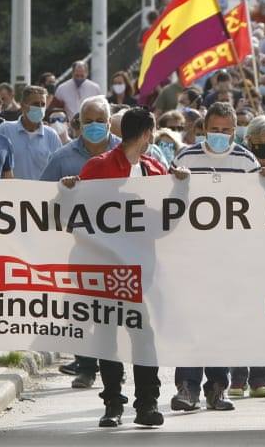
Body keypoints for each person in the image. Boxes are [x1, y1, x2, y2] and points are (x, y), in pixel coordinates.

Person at [63, 107, 181, 428]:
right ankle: (113, 403)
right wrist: (70, 191)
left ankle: (147, 404)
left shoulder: (155, 170)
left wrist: (179, 189)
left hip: (139, 273)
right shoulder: (99, 167)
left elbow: (164, 224)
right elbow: (74, 215)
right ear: (146, 134)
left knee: (142, 336)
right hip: (103, 271)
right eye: (151, 133)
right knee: (107, 335)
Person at [169, 102, 260, 412]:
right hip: (192, 258)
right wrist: (177, 186)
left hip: (230, 259)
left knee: (222, 324)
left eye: (225, 130)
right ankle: (187, 387)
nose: (219, 135)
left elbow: (259, 208)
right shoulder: (185, 158)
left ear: (234, 131)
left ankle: (218, 388)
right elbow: (169, 203)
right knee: (191, 323)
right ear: (203, 129)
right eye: (214, 129)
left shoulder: (246, 161)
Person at [41, 95, 121, 385]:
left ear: (110, 122)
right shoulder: (62, 158)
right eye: (89, 121)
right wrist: (63, 192)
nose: (95, 126)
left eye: (101, 121)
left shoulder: (127, 153)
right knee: (81, 308)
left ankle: (114, 371)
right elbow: (39, 199)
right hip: (80, 247)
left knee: (111, 312)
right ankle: (86, 367)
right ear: (79, 124)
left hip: (120, 248)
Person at [227, 114, 265, 399]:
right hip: (239, 253)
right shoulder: (238, 168)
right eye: (257, 141)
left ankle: (261, 378)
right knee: (239, 316)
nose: (262, 146)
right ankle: (237, 378)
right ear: (247, 140)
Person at [0, 85, 61, 181]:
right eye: (36, 104)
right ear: (22, 105)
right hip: (11, 193)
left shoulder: (51, 135)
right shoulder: (5, 130)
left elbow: (58, 169)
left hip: (41, 194)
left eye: (43, 104)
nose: (40, 108)